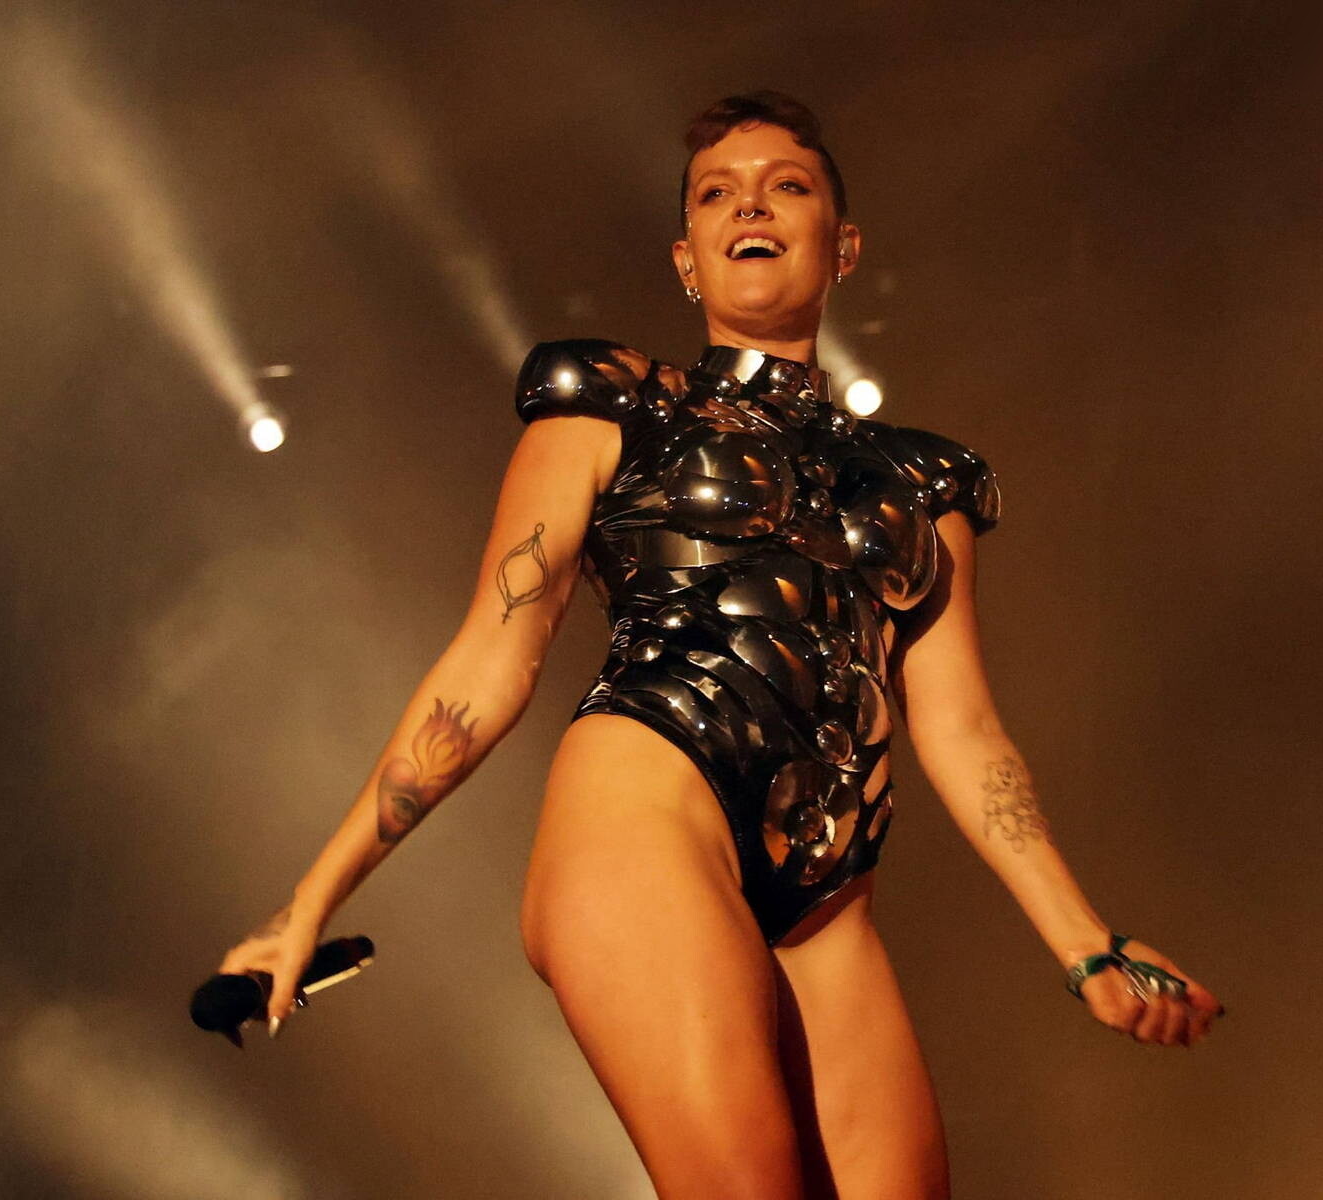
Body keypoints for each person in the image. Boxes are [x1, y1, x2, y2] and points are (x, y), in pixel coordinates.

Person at [216, 89, 1224, 1199]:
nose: (751, 204)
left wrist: (1087, 946)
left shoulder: (922, 482)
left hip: (828, 902)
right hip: (647, 817)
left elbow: (966, 732)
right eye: (716, 194)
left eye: (786, 185)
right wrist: (312, 899)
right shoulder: (612, 405)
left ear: (843, 245)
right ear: (687, 259)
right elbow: (489, 660)